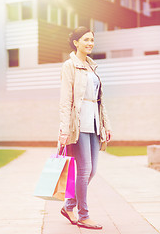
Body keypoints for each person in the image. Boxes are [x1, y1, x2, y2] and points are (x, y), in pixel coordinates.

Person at [58, 26, 111, 230]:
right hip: (78, 125)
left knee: (92, 171)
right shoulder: (69, 66)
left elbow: (99, 101)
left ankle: (68, 206)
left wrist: (106, 125)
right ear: (76, 43)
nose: (90, 43)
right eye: (86, 39)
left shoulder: (92, 67)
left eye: (92, 40)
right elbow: (66, 101)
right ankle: (83, 215)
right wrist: (64, 129)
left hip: (95, 123)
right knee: (84, 170)